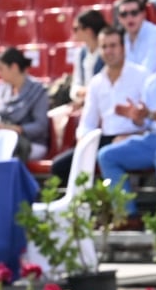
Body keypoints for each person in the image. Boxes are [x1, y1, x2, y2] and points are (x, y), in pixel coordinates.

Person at [97, 28, 156, 214]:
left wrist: (151, 114)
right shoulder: (152, 81)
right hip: (153, 138)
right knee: (107, 155)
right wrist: (137, 118)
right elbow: (146, 122)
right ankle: (126, 215)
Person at [50, 26, 148, 182]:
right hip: (104, 139)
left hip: (134, 137)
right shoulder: (96, 82)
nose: (109, 51)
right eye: (104, 46)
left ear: (123, 48)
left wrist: (137, 124)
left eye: (113, 45)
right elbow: (88, 122)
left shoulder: (142, 75)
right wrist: (84, 143)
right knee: (59, 166)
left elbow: (151, 119)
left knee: (108, 156)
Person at [0, 47, 50, 161]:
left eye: (1, 69)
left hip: (29, 144)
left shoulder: (38, 90)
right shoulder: (3, 91)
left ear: (14, 67)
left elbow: (41, 126)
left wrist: (16, 129)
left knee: (4, 152)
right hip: (4, 141)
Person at [116, 0, 156, 73]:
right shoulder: (123, 37)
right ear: (119, 18)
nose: (129, 18)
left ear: (143, 14)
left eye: (134, 13)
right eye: (124, 14)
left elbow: (148, 71)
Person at [70, 8, 109, 105]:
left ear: (88, 31)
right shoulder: (80, 53)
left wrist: (90, 92)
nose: (73, 32)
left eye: (76, 29)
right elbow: (76, 83)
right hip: (84, 102)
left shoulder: (108, 52)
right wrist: (79, 92)